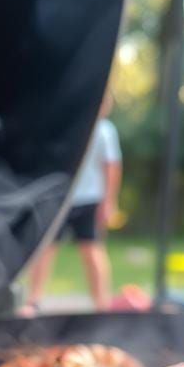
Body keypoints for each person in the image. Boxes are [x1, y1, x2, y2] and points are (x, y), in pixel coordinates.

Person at [22, 92, 122, 314]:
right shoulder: (71, 128)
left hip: (89, 199)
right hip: (61, 200)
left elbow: (112, 167)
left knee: (92, 249)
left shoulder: (105, 131)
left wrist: (109, 201)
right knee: (46, 248)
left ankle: (101, 304)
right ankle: (33, 300)